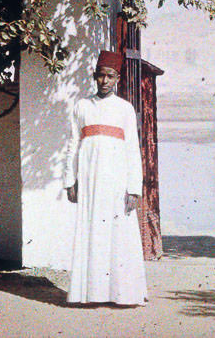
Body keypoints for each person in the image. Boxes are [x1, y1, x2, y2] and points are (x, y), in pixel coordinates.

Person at [63, 50, 148, 305]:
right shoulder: (82, 106)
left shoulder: (125, 109)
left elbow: (133, 149)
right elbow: (72, 146)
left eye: (110, 76)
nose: (105, 81)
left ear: (117, 78)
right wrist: (70, 180)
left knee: (118, 235)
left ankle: (123, 294)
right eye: (100, 76)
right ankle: (89, 295)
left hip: (116, 182)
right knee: (92, 234)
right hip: (89, 182)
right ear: (94, 77)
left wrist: (134, 189)